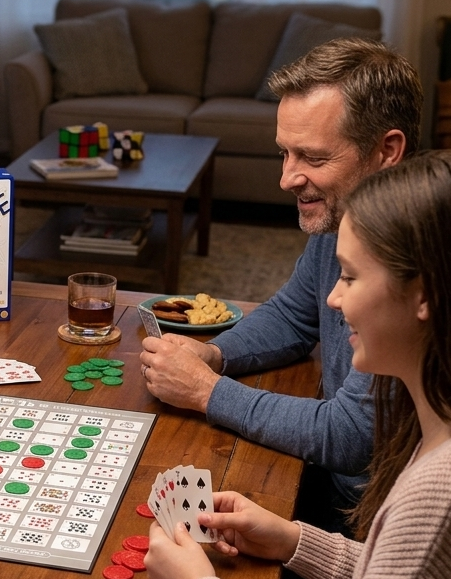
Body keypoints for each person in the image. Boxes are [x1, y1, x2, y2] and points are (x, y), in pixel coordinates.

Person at [144, 152, 451, 579]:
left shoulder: (436, 496)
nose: (333, 300)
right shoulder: (434, 428)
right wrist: (292, 540)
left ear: (424, 296)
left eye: (350, 277)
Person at [140, 38, 421, 514]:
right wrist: (214, 354)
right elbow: (292, 315)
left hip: (372, 519)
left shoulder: (415, 258)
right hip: (330, 484)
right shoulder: (348, 217)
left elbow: (352, 436)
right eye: (284, 153)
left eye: (313, 158)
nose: (287, 178)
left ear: (387, 151)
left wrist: (206, 390)